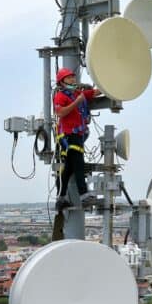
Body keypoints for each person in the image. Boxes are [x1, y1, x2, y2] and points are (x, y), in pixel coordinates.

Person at [54, 67, 101, 209]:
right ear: (61, 82)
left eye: (73, 77)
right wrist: (77, 102)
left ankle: (61, 198)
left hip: (77, 135)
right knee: (78, 164)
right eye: (69, 78)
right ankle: (84, 195)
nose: (72, 80)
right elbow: (60, 112)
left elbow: (94, 92)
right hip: (68, 136)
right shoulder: (61, 96)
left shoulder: (77, 94)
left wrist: (110, 85)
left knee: (68, 168)